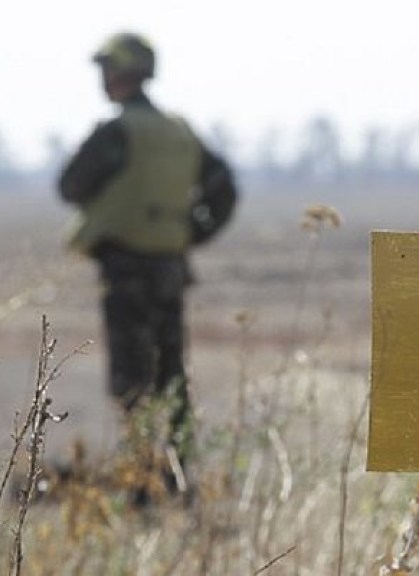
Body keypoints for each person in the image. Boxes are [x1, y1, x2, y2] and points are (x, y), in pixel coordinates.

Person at [57, 32, 237, 487]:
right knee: (172, 373)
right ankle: (177, 475)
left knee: (132, 380)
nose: (103, 79)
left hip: (126, 269)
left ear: (120, 73)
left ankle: (140, 481)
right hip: (171, 267)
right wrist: (188, 232)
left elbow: (71, 186)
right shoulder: (179, 131)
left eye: (106, 70)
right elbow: (224, 187)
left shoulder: (117, 132)